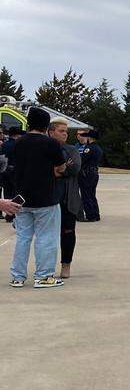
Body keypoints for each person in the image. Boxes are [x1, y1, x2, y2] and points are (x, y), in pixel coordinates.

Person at [8, 108, 68, 288]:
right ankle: (43, 276)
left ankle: (17, 276)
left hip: (21, 198)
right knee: (46, 237)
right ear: (45, 126)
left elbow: (11, 167)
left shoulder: (17, 143)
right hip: (45, 197)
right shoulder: (50, 144)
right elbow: (61, 167)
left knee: (23, 237)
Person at [48, 119, 82, 279]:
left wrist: (58, 170)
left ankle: (66, 264)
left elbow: (74, 168)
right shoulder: (45, 148)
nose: (65, 134)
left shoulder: (71, 150)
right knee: (47, 234)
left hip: (68, 198)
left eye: (66, 131)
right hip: (48, 197)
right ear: (51, 131)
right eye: (61, 131)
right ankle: (46, 266)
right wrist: (60, 168)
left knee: (68, 232)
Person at [76, 128, 103, 221]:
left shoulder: (89, 148)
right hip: (94, 172)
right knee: (92, 194)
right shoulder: (98, 148)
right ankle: (96, 214)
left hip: (86, 173)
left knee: (86, 195)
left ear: (90, 137)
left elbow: (83, 160)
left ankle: (90, 215)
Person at [1, 126, 23, 223]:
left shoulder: (4, 145)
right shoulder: (18, 144)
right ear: (17, 135)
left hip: (4, 171)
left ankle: (8, 214)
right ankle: (13, 213)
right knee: (15, 192)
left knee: (7, 192)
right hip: (15, 171)